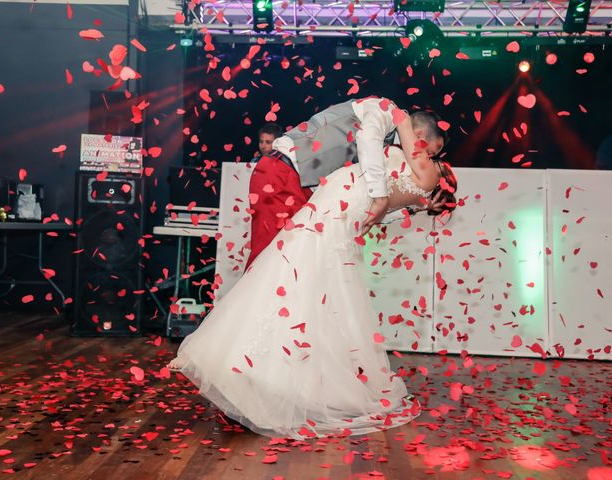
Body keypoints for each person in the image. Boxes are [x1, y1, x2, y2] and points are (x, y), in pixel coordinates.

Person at [167, 112, 458, 440]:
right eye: (433, 149)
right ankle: (256, 369)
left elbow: (394, 161)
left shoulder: (424, 168)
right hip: (327, 213)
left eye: (434, 154)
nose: (432, 155)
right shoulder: (413, 170)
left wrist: (401, 117)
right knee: (289, 286)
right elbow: (376, 211)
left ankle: (257, 371)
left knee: (288, 285)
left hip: (329, 217)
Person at [245, 97, 447, 269]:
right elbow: (367, 138)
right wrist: (381, 197)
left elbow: (362, 202)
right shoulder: (384, 110)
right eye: (430, 153)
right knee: (267, 261)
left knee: (291, 265)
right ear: (419, 137)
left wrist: (415, 207)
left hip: (306, 191)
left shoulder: (386, 153)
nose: (426, 159)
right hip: (282, 173)